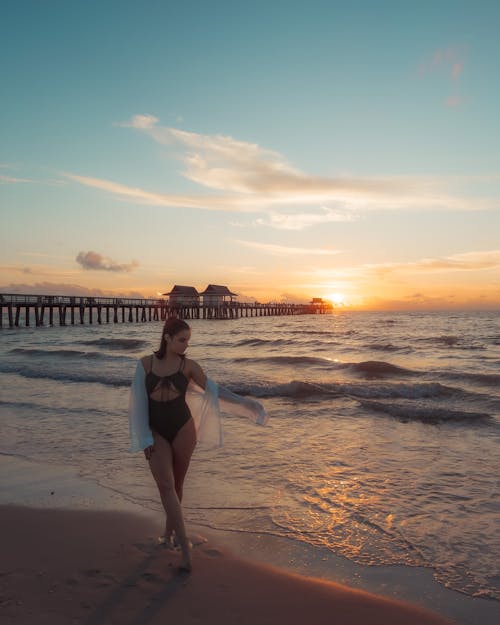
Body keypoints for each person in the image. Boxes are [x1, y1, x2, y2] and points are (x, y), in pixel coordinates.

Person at [128, 317, 267, 573]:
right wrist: (145, 436)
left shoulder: (189, 366)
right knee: (166, 485)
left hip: (183, 429)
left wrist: (246, 403)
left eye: (188, 341)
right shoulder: (145, 365)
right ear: (167, 337)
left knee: (176, 485)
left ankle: (169, 535)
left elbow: (215, 391)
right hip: (155, 431)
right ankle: (185, 549)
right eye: (181, 340)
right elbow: (137, 404)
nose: (185, 345)